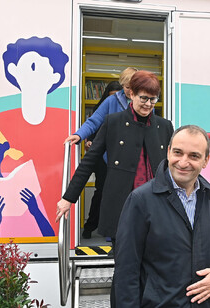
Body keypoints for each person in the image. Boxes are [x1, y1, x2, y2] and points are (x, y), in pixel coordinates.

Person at [114, 125, 210, 307]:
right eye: (178, 153)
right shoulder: (141, 200)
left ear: (206, 160)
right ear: (169, 152)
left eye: (194, 156)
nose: (183, 162)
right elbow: (126, 271)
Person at [56, 70, 174, 248]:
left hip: (156, 209)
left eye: (153, 99)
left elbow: (173, 168)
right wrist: (68, 198)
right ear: (131, 94)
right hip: (122, 208)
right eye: (143, 98)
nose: (148, 104)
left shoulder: (164, 127)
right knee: (124, 266)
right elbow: (88, 162)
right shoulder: (113, 122)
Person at [64, 68, 136, 239]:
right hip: (112, 160)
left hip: (133, 160)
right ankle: (112, 235)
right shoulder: (112, 101)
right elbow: (94, 121)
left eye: (132, 87)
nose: (129, 91)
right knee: (110, 197)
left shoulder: (143, 102)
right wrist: (79, 135)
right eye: (126, 87)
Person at [81, 80, 122, 239]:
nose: (113, 100)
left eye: (117, 96)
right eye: (110, 96)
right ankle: (90, 226)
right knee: (101, 192)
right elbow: (92, 127)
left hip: (118, 157)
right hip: (102, 158)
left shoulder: (125, 112)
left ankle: (112, 231)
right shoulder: (101, 109)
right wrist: (88, 141)